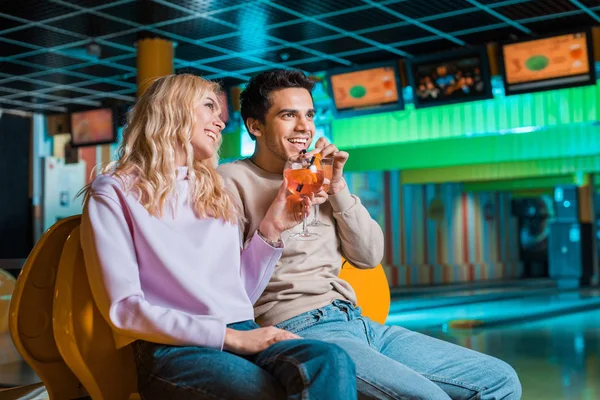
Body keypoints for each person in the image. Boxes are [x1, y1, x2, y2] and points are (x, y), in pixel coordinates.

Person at [218, 69, 523, 400]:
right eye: (288, 115)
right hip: (301, 328)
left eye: (308, 115)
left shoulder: (319, 179)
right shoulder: (229, 182)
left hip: (357, 320)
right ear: (255, 126)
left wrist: (337, 188)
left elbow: (368, 255)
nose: (304, 127)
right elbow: (227, 285)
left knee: (499, 379)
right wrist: (281, 211)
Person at [80, 74, 357, 400]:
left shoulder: (212, 189)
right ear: (174, 109)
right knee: (266, 392)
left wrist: (272, 227)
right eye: (210, 107)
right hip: (174, 348)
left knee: (332, 360)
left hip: (243, 330)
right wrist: (229, 338)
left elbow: (238, 293)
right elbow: (125, 309)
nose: (221, 122)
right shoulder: (114, 190)